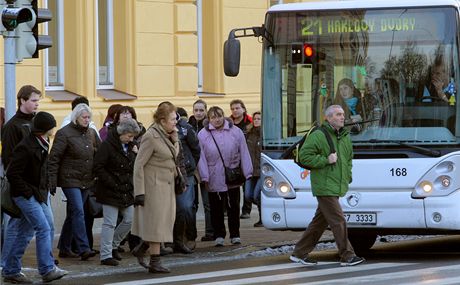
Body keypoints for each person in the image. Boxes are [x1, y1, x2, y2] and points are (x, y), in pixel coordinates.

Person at [289, 105, 365, 267]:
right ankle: (347, 255)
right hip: (324, 185)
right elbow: (304, 157)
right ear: (328, 118)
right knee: (338, 220)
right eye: (338, 115)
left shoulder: (344, 136)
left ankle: (299, 253)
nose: (342, 117)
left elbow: (349, 159)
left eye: (343, 114)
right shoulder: (318, 135)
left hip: (337, 184)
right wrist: (325, 160)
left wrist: (347, 176)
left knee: (319, 222)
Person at [3, 112, 68, 283]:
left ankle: (10, 270)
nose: (54, 129)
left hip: (37, 194)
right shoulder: (26, 146)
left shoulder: (42, 143)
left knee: (26, 233)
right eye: (52, 126)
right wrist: (28, 193)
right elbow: (12, 173)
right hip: (25, 195)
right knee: (43, 228)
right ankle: (47, 269)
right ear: (46, 129)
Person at [131, 101, 179, 273]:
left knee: (163, 222)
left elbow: (173, 156)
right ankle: (155, 262)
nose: (175, 122)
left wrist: (175, 139)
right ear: (162, 120)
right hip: (153, 186)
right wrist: (139, 192)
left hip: (167, 185)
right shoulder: (151, 136)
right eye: (173, 119)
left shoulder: (169, 134)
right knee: (156, 224)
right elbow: (139, 164)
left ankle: (143, 247)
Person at [48, 103, 100, 261]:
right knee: (78, 210)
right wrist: (52, 180)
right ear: (76, 117)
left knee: (73, 213)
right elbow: (54, 157)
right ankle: (84, 248)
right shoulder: (64, 133)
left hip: (86, 179)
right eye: (84, 117)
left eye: (89, 117)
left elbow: (100, 152)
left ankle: (64, 247)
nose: (87, 120)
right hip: (69, 179)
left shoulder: (91, 133)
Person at [197, 106, 253, 247]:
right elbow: (201, 157)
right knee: (216, 208)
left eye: (219, 116)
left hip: (232, 175)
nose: (217, 120)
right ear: (209, 119)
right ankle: (219, 235)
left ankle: (235, 234)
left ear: (223, 116)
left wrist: (248, 171)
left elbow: (244, 151)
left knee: (233, 206)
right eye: (213, 117)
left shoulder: (235, 131)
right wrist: (204, 176)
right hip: (213, 176)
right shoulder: (203, 134)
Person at [1, 85, 41, 269]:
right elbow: (9, 159)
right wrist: (22, 187)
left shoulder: (36, 123)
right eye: (33, 100)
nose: (36, 104)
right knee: (38, 226)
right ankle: (45, 264)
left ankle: (9, 264)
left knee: (24, 226)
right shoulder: (12, 126)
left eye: (37, 101)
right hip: (23, 186)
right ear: (22, 100)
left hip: (38, 186)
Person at [94, 118, 140, 266]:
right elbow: (98, 167)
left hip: (125, 189)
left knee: (130, 219)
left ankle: (113, 245)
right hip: (109, 189)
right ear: (122, 133)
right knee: (110, 223)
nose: (131, 139)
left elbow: (133, 166)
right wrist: (111, 182)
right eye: (130, 136)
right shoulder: (107, 145)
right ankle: (105, 255)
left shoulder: (131, 146)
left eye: (133, 136)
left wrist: (135, 153)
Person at [172, 107, 200, 254]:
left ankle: (189, 236)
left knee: (186, 206)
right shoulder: (156, 130)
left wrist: (190, 165)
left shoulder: (185, 129)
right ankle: (174, 239)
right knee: (171, 209)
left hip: (186, 173)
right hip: (168, 174)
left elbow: (196, 149)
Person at [188, 99, 214, 242]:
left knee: (207, 203)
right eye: (196, 110)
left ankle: (210, 232)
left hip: (206, 168)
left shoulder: (210, 127)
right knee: (192, 204)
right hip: (191, 169)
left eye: (201, 110)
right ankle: (191, 234)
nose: (198, 113)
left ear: (206, 111)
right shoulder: (187, 126)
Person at [229, 99, 253, 220]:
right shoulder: (228, 123)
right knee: (233, 184)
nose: (235, 111)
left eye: (237, 108)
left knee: (246, 185)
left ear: (243, 109)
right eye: (232, 109)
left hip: (247, 155)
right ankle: (233, 209)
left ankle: (246, 209)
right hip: (233, 157)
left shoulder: (250, 122)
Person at [245, 111, 263, 227]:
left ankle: (262, 218)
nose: (256, 120)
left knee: (257, 195)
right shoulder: (248, 134)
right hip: (250, 170)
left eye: (259, 119)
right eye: (255, 118)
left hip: (261, 171)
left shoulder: (266, 134)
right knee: (248, 195)